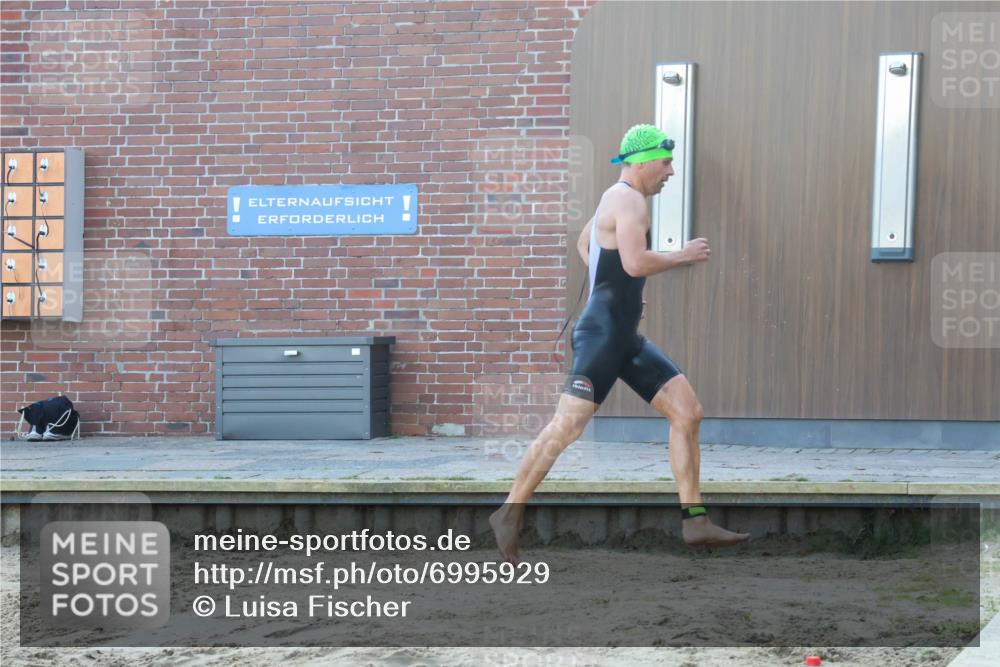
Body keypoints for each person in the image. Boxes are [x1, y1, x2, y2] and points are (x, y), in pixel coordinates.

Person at [490, 124, 750, 563]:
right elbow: (634, 261)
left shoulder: (617, 199)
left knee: (687, 412)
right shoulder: (626, 198)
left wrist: (611, 292)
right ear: (643, 161)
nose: (670, 171)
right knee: (566, 428)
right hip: (603, 336)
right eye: (665, 163)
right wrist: (680, 256)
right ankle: (508, 513)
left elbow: (585, 241)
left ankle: (695, 520)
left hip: (621, 333)